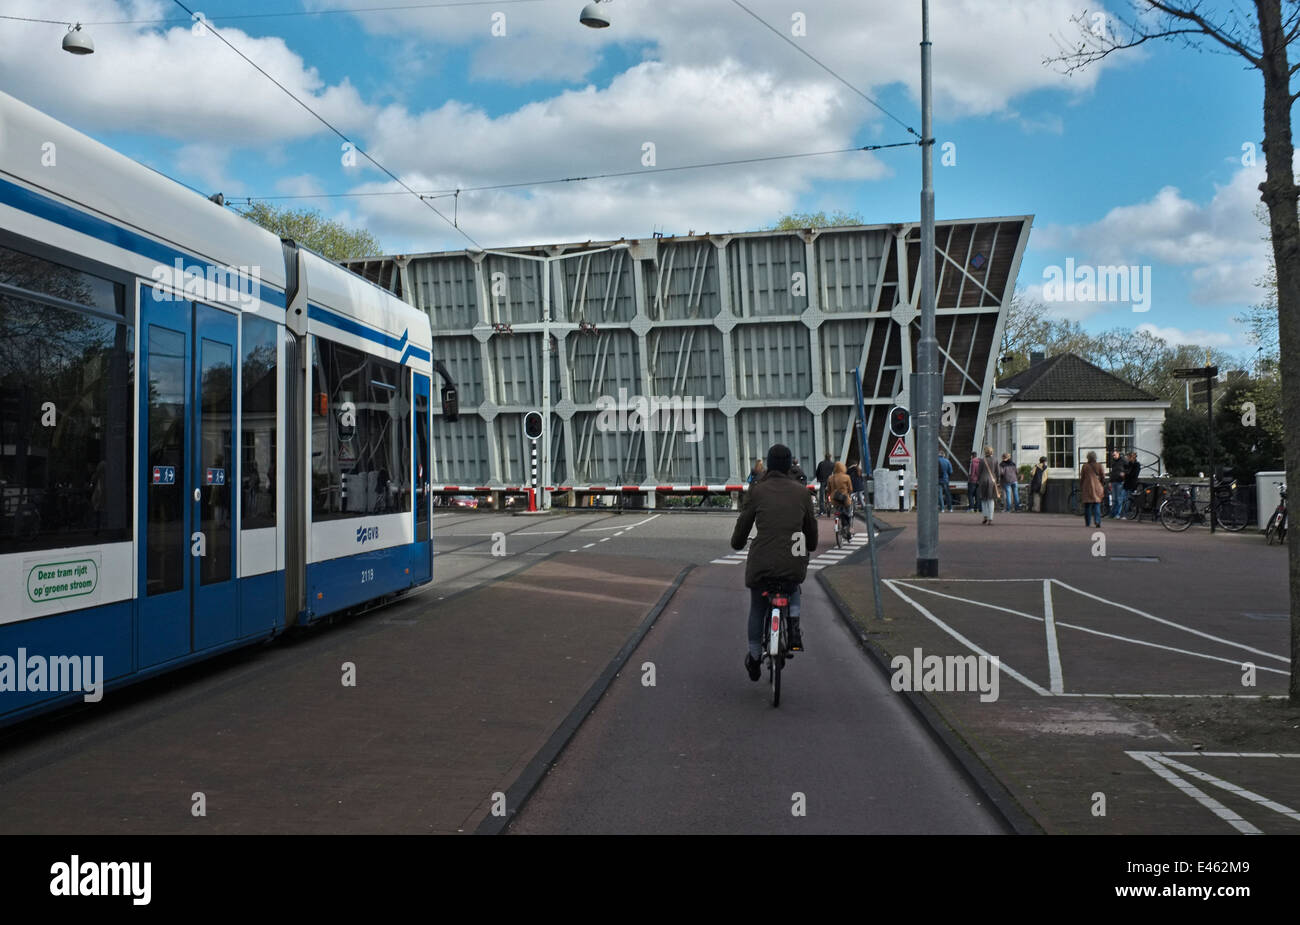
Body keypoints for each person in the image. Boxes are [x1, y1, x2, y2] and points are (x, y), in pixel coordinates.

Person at [730, 444, 817, 681]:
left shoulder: (758, 491)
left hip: (762, 561)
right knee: (793, 582)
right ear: (790, 465)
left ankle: (755, 656)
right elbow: (811, 534)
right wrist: (808, 546)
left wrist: (737, 543)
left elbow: (743, 526)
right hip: (793, 557)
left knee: (758, 607)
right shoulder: (802, 493)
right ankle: (794, 625)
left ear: (768, 464)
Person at [826, 460, 854, 538]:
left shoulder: (830, 478)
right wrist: (848, 493)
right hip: (845, 499)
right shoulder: (847, 477)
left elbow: (828, 490)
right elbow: (851, 489)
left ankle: (841, 525)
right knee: (848, 514)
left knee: (838, 513)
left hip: (835, 500)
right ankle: (847, 528)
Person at [1080, 450, 1107, 527]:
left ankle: (1088, 523)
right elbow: (1103, 476)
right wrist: (1101, 484)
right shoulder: (1099, 465)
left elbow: (1082, 477)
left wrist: (1081, 486)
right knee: (1097, 505)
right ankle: (1097, 521)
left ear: (1088, 458)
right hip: (1097, 487)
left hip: (1087, 487)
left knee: (1087, 506)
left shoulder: (1085, 466)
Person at [977, 445, 1001, 524]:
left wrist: (978, 480)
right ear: (992, 452)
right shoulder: (995, 460)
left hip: (983, 481)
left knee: (984, 500)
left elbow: (979, 472)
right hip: (992, 481)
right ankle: (990, 518)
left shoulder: (982, 460)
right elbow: (998, 472)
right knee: (991, 499)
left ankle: (985, 516)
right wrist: (997, 481)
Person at [1107, 450, 1126, 519]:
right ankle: (1113, 514)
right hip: (1113, 482)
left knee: (1119, 499)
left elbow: (1128, 469)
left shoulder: (1123, 461)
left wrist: (1124, 474)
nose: (1114, 456)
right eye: (1113, 455)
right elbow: (1112, 472)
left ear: (1118, 454)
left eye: (1115, 455)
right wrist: (1110, 481)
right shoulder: (1113, 462)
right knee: (1114, 499)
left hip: (1120, 482)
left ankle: (1117, 514)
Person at [1123, 451, 1141, 516]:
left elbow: (1134, 474)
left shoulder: (1137, 464)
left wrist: (1126, 474)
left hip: (1131, 484)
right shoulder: (1128, 464)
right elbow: (1125, 470)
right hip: (1126, 483)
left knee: (1128, 499)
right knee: (1124, 499)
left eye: (1128, 457)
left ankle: (1126, 513)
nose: (1127, 458)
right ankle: (1124, 513)